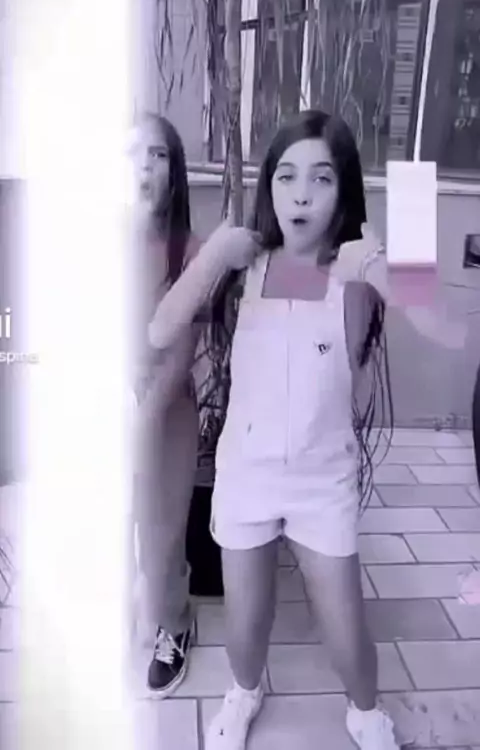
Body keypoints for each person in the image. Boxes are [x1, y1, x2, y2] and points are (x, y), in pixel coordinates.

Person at [148, 109, 399, 749]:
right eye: (287, 177)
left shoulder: (355, 277)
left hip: (323, 482)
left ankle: (366, 713)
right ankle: (244, 692)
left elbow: (415, 336)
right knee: (245, 627)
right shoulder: (245, 266)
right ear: (270, 187)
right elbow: (160, 328)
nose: (301, 195)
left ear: (343, 190)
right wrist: (213, 258)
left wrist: (381, 263)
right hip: (247, 476)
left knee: (348, 635)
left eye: (321, 178)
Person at [129, 112, 200, 697]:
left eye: (157, 155)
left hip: (166, 414)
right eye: (133, 154)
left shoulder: (188, 253)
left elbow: (179, 361)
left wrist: (139, 422)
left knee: (161, 533)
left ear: (174, 175)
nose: (144, 166)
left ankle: (175, 625)